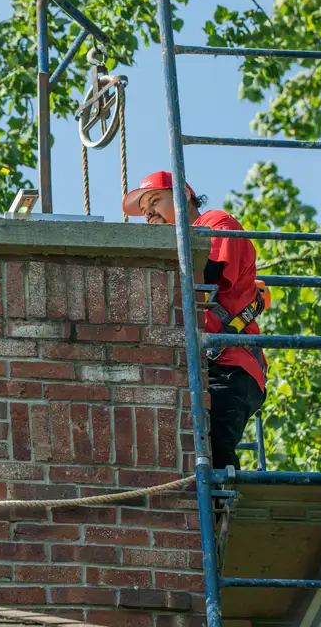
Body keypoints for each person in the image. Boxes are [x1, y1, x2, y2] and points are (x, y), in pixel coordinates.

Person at [123, 171, 266, 470]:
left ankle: (218, 509)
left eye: (154, 201)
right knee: (195, 449)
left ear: (184, 195)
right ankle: (214, 507)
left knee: (213, 450)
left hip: (230, 366)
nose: (148, 212)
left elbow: (207, 275)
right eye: (144, 210)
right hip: (210, 363)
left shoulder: (214, 223)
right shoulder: (179, 248)